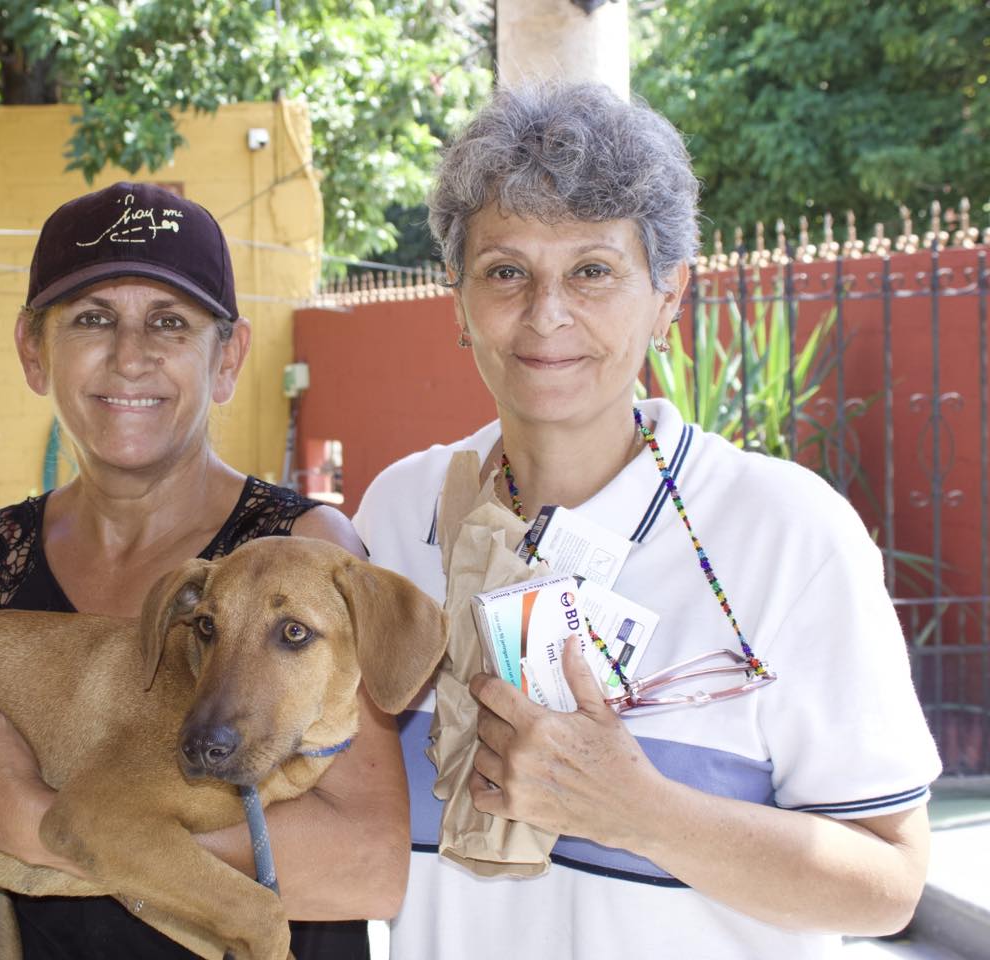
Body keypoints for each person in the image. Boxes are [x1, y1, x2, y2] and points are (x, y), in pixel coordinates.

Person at [352, 83, 942, 959]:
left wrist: (641, 812)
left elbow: (888, 886)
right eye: (506, 271)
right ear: (458, 300)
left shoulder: (789, 536)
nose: (547, 313)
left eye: (593, 271)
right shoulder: (400, 514)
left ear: (668, 296)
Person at [0, 182, 407, 959]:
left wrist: (43, 826)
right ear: (33, 350)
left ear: (228, 358)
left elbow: (373, 867)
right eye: (93, 319)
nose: (130, 356)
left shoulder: (302, 552)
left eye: (170, 322)